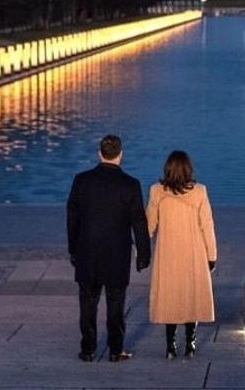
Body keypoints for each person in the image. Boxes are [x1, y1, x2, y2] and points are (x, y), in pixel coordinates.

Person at [66, 134, 151, 362]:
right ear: (120, 155)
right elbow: (138, 222)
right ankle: (115, 349)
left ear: (99, 154)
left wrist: (73, 249)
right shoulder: (130, 184)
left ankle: (88, 349)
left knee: (87, 303)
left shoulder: (81, 180)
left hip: (87, 251)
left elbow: (72, 217)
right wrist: (144, 255)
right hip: (117, 253)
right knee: (116, 303)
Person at [147, 150, 217, 359]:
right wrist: (211, 256)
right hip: (193, 252)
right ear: (188, 168)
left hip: (168, 253)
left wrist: (139, 249)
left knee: (171, 297)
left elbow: (149, 224)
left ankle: (170, 346)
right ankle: (191, 344)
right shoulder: (200, 192)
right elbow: (207, 227)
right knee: (190, 296)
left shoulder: (156, 191)